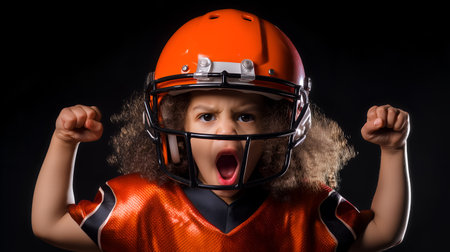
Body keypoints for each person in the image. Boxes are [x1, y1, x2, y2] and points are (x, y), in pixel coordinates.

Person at [32, 9, 410, 252]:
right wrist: (64, 142)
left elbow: (383, 233)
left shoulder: (303, 210)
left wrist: (394, 151)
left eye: (245, 116)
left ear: (281, 125)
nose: (226, 129)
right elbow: (48, 224)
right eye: (207, 117)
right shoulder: (139, 205)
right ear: (174, 123)